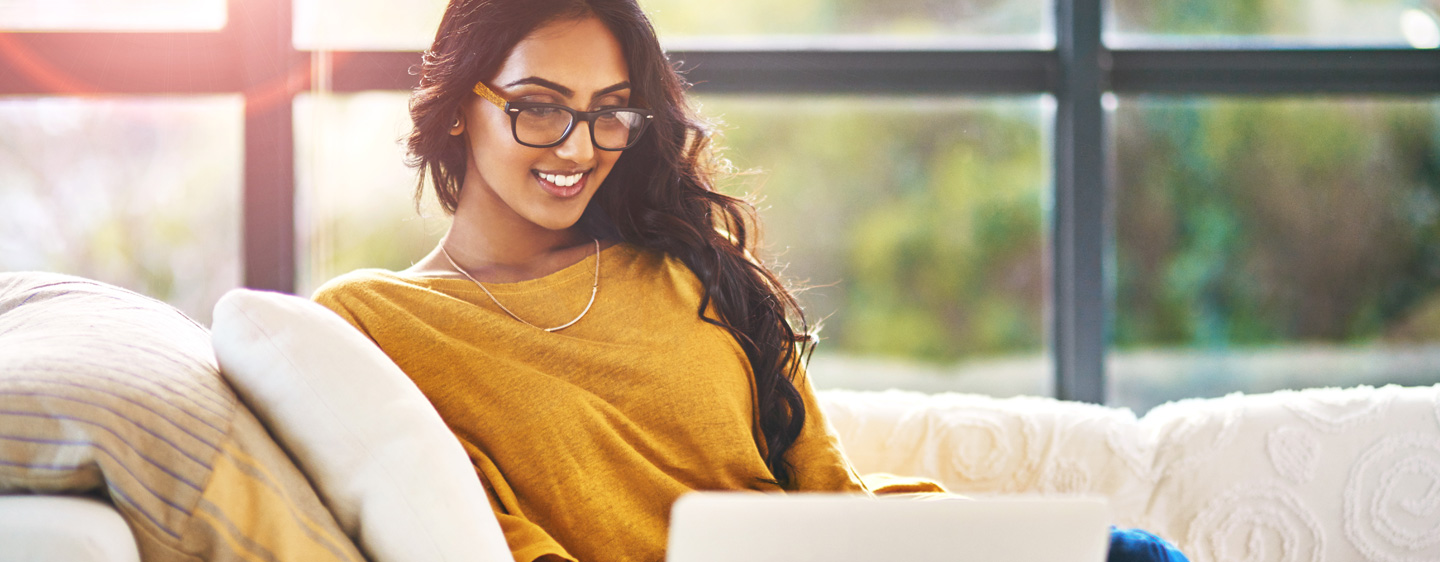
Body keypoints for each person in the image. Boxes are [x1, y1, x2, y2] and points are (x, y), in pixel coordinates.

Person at [311, 1, 1188, 561]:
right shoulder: (374, 322)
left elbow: (824, 490)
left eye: (608, 112)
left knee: (1139, 557)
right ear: (461, 102)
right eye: (538, 105)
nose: (578, 148)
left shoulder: (685, 262)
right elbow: (507, 541)